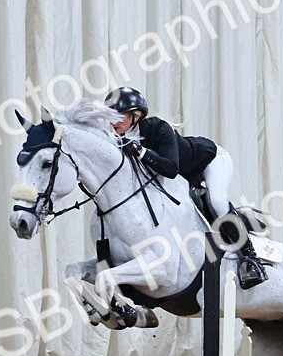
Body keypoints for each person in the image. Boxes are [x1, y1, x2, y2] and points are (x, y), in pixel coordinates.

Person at [103, 87, 266, 288]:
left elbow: (171, 169)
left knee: (216, 201)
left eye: (119, 116)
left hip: (209, 161)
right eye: (110, 116)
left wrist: (140, 151)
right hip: (183, 176)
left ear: (135, 116)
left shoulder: (158, 128)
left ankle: (251, 259)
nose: (114, 122)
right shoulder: (117, 138)